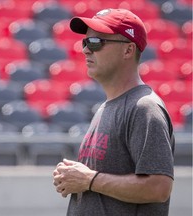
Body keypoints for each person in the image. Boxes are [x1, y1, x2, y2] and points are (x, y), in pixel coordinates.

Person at [53, 8, 175, 216]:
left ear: (128, 50)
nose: (85, 50)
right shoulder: (106, 107)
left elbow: (158, 187)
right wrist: (75, 176)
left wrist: (89, 180)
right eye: (85, 42)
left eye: (96, 43)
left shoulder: (144, 108)